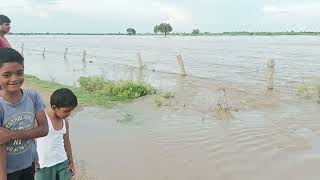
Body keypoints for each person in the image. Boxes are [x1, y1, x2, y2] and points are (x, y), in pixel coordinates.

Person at [0, 48, 49, 180]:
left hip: (28, 164)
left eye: (19, 73)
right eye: (7, 75)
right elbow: (1, 144)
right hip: (7, 170)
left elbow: (44, 129)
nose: (14, 79)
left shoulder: (33, 96)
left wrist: (11, 135)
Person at [36, 88, 77, 180]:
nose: (69, 113)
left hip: (62, 162)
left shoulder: (65, 122)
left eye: (71, 111)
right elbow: (31, 140)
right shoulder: (42, 120)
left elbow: (67, 142)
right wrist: (33, 161)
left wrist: (71, 162)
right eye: (66, 111)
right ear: (54, 108)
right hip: (44, 165)